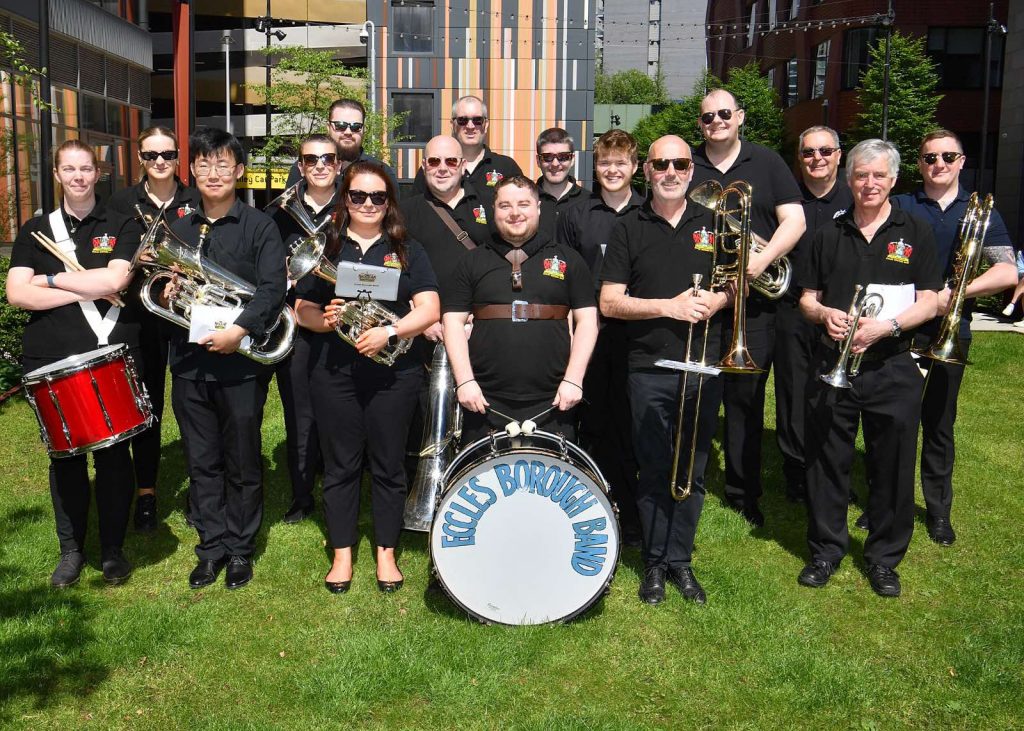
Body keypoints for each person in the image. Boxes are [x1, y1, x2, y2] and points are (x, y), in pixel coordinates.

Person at [798, 139, 941, 598]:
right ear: (849, 179)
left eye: (879, 175)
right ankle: (826, 550)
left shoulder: (916, 231)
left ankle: (884, 559)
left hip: (891, 365)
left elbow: (932, 301)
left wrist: (889, 326)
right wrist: (824, 316)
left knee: (893, 465)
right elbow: (806, 298)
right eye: (861, 175)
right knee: (826, 462)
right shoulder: (828, 235)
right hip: (832, 363)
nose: (869, 183)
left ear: (894, 180)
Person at [294, 161, 439, 593]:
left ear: (389, 201)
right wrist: (327, 320)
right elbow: (303, 308)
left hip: (394, 373)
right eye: (358, 196)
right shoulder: (327, 247)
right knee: (340, 464)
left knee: (389, 463)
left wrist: (389, 331)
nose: (368, 204)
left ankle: (386, 552)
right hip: (333, 371)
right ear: (346, 199)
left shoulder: (408, 248)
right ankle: (342, 554)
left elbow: (430, 309)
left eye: (378, 196)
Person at [600, 135, 732, 605]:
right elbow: (610, 302)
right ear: (647, 171)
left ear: (692, 170)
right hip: (649, 367)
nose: (671, 172)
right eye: (661, 164)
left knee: (693, 470)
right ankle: (655, 562)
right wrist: (669, 307)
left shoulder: (717, 223)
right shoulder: (628, 227)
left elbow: (734, 283)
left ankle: (681, 561)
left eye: (679, 163)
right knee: (655, 467)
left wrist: (716, 299)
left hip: (703, 363)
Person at [6, 139, 142, 587]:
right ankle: (71, 551)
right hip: (51, 354)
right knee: (64, 456)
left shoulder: (122, 222)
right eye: (70, 169)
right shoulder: (33, 229)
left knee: (113, 454)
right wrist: (85, 287)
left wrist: (50, 278)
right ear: (58, 174)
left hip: (109, 351)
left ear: (98, 173)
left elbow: (116, 277)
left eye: (86, 169)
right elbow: (17, 293)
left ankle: (112, 550)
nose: (79, 177)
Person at [168, 128, 287, 590]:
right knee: (201, 459)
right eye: (203, 164)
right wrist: (168, 288)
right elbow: (163, 283)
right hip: (190, 364)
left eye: (222, 164)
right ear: (192, 170)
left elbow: (273, 289)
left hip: (239, 363)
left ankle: (240, 548)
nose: (212, 173)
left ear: (239, 171)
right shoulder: (180, 225)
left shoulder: (260, 226)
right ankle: (210, 547)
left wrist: (239, 331)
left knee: (241, 458)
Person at [891, 129, 1017, 545]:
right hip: (904, 326)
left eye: (948, 157)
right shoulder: (903, 205)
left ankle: (939, 510)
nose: (938, 165)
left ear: (961, 161)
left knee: (940, 423)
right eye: (929, 158)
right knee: (896, 421)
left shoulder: (981, 211)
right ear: (920, 164)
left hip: (951, 327)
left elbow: (1005, 271)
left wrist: (956, 293)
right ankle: (890, 504)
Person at [690, 88, 805, 527]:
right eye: (707, 117)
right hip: (701, 297)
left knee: (746, 401)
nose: (716, 121)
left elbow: (794, 219)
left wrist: (758, 262)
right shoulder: (689, 163)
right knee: (697, 396)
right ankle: (691, 482)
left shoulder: (767, 161)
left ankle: (743, 492)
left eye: (724, 113)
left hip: (752, 304)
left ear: (739, 117)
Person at [443, 176, 598, 443]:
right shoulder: (472, 262)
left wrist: (574, 379)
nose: (515, 213)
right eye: (505, 206)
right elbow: (452, 322)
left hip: (554, 398)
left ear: (538, 208)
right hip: (484, 399)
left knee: (549, 483)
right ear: (494, 211)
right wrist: (465, 382)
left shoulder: (569, 259)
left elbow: (587, 321)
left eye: (523, 204)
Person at [107, 126, 201, 531]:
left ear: (178, 156)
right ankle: (146, 492)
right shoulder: (122, 202)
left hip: (185, 314)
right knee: (148, 405)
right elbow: (107, 254)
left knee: (195, 404)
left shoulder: (196, 199)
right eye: (150, 155)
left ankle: (203, 488)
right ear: (140, 158)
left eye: (167, 154)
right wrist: (133, 259)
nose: (159, 162)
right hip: (140, 315)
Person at [557, 129, 646, 544]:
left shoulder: (647, 213)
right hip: (588, 329)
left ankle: (629, 511)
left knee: (627, 422)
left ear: (634, 167)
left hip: (634, 332)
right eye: (605, 163)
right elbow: (565, 274)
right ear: (596, 166)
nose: (612, 170)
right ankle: (587, 502)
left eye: (620, 163)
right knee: (590, 420)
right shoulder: (576, 214)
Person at [268, 134, 342, 524]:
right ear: (300, 165)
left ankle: (337, 482)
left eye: (327, 158)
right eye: (311, 159)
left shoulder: (352, 206)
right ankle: (300, 495)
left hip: (338, 320)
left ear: (339, 164)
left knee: (338, 408)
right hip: (295, 325)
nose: (319, 165)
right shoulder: (278, 215)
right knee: (299, 411)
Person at [780, 126, 854, 504]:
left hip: (841, 311)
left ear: (839, 155)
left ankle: (830, 465)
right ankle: (795, 468)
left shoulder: (856, 198)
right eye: (808, 152)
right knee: (793, 391)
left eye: (825, 151)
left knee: (835, 393)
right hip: (793, 308)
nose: (817, 159)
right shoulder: (788, 199)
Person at [412, 95, 522, 199]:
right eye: (462, 120)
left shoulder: (507, 167)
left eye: (477, 120)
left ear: (486, 124)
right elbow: (415, 211)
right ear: (452, 125)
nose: (470, 126)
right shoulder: (433, 168)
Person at [284, 98, 399, 192]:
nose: (348, 132)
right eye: (340, 125)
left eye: (356, 127)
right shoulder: (305, 167)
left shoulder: (382, 171)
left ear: (364, 130)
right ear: (328, 128)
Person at [535, 127, 586, 235]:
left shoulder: (589, 202)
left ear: (572, 159)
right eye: (547, 157)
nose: (555, 164)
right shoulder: (527, 200)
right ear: (538, 161)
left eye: (563, 157)